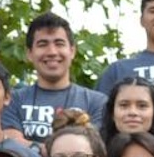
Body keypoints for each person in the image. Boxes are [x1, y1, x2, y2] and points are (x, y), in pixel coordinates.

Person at [6, 13, 106, 142]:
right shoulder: (12, 100)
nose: (52, 52)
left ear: (72, 51)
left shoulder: (97, 102)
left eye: (59, 44)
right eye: (42, 44)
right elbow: (12, 143)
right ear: (29, 54)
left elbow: (92, 146)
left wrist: (32, 147)